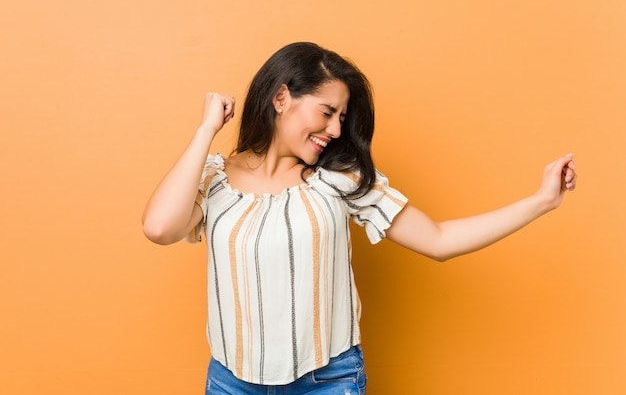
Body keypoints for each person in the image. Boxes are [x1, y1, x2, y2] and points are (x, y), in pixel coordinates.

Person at [142, 42, 577, 394]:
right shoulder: (215, 179)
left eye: (341, 118)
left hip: (326, 381)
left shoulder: (338, 178)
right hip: (231, 382)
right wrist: (205, 131)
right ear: (281, 98)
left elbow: (440, 240)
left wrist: (539, 201)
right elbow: (159, 228)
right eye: (327, 112)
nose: (334, 130)